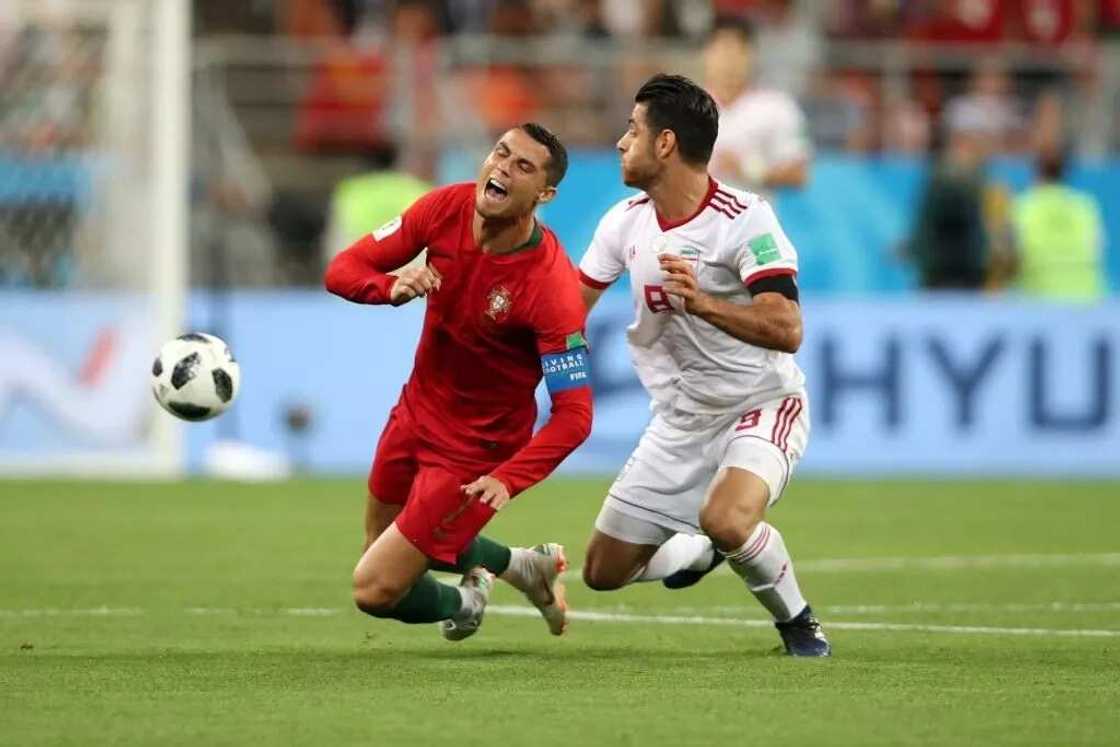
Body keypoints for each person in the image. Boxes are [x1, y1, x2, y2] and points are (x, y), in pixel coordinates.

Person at [576, 74, 830, 657]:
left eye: (632, 129)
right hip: (679, 422)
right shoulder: (624, 223)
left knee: (727, 517)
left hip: (760, 405)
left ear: (665, 143)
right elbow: (570, 306)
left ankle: (800, 624)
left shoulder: (746, 218)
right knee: (602, 571)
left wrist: (707, 303)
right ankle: (696, 552)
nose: (621, 142)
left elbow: (788, 328)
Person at [324, 123, 593, 641]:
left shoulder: (552, 288)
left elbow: (575, 416)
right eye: (500, 154)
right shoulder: (443, 209)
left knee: (376, 589)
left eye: (523, 166)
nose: (502, 169)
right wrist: (389, 286)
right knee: (382, 550)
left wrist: (509, 477)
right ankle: (522, 566)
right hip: (415, 413)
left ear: (545, 194)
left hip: (474, 452)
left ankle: (466, 601)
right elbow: (342, 268)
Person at [702, 16, 812, 195]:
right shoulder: (681, 107)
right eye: (722, 50)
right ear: (706, 54)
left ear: (752, 55)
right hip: (699, 221)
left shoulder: (776, 107)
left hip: (753, 220)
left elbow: (798, 173)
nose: (729, 61)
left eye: (738, 51)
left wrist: (750, 170)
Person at [1012, 148, 1107, 301]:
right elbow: (1097, 249)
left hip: (1038, 300)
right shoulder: (1085, 205)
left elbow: (1012, 254)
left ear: (1035, 172)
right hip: (1087, 298)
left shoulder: (1023, 206)